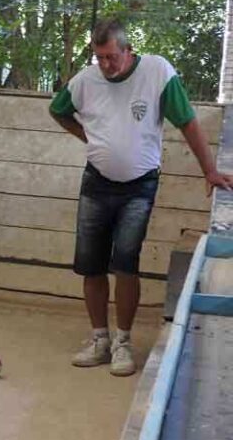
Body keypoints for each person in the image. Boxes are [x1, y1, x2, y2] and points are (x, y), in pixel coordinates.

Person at [49, 19, 233, 376]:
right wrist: (90, 137)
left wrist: (208, 171)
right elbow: (58, 111)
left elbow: (188, 122)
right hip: (96, 184)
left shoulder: (156, 71)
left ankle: (123, 341)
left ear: (128, 51)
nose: (105, 65)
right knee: (91, 263)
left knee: (126, 261)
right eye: (99, 58)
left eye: (111, 57)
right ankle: (99, 338)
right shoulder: (85, 80)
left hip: (139, 185)